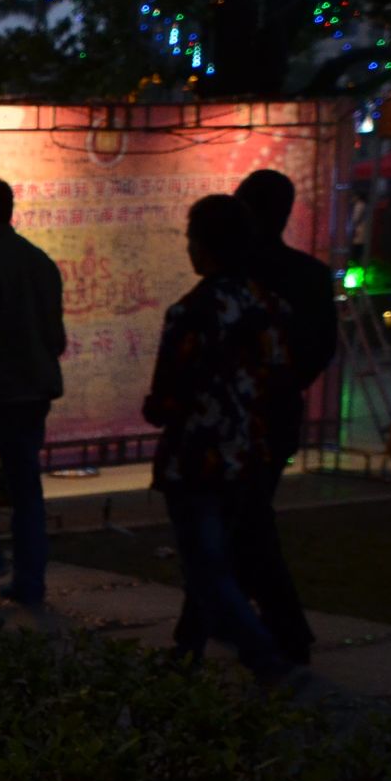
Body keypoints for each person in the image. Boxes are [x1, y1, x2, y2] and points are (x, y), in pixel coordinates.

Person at [144, 195, 297, 684]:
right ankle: (189, 650)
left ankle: (264, 656)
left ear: (205, 247)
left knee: (206, 567)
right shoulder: (268, 305)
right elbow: (278, 380)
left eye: (191, 238)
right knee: (215, 560)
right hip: (249, 453)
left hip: (197, 458)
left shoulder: (192, 312)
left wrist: (157, 409)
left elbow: (169, 396)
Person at [0, 176, 67, 608]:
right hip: (35, 392)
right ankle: (30, 580)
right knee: (27, 491)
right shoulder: (39, 261)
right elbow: (55, 336)